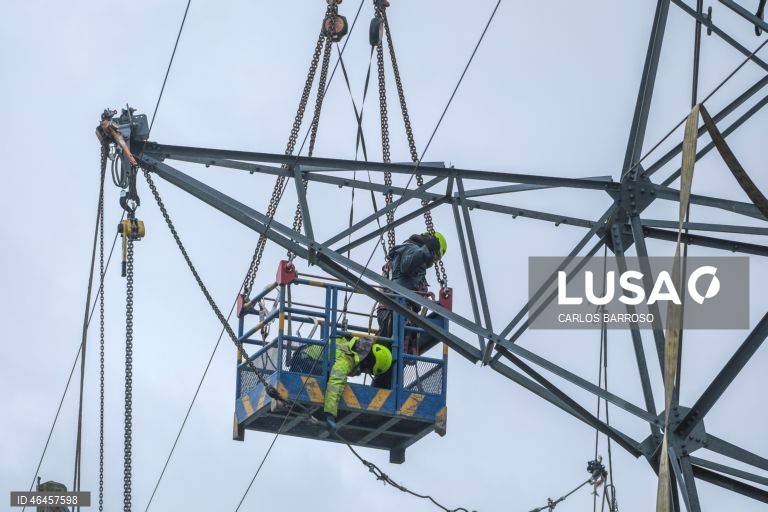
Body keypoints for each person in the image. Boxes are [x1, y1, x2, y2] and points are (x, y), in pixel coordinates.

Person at [373, 231, 446, 389]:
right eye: (435, 257)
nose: (433, 261)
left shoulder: (409, 252)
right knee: (394, 352)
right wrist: (426, 250)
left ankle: (382, 387)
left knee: (395, 353)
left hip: (396, 311)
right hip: (396, 310)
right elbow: (407, 265)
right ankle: (382, 388)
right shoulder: (411, 249)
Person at [289, 335, 393, 433]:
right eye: (367, 370)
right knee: (337, 378)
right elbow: (335, 384)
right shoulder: (346, 359)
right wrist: (330, 414)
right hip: (303, 362)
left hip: (304, 357)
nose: (364, 372)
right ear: (368, 361)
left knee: (338, 377)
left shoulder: (352, 346)